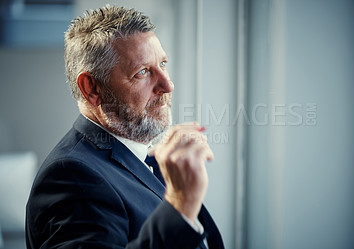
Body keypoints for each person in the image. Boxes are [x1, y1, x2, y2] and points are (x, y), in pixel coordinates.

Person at [25, 5, 225, 249]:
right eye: (142, 72)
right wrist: (180, 206)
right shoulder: (71, 176)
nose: (167, 85)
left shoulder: (147, 156)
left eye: (163, 63)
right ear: (92, 88)